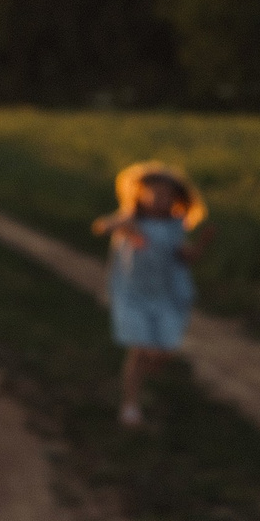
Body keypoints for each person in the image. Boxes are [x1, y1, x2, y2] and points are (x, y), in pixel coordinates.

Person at [90, 160, 208, 428]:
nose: (159, 199)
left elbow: (185, 257)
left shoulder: (176, 225)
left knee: (164, 351)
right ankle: (130, 404)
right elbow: (102, 226)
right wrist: (124, 226)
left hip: (167, 295)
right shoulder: (131, 219)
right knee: (140, 350)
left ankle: (148, 372)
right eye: (153, 192)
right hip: (134, 295)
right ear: (139, 193)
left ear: (176, 198)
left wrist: (200, 247)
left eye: (166, 195)